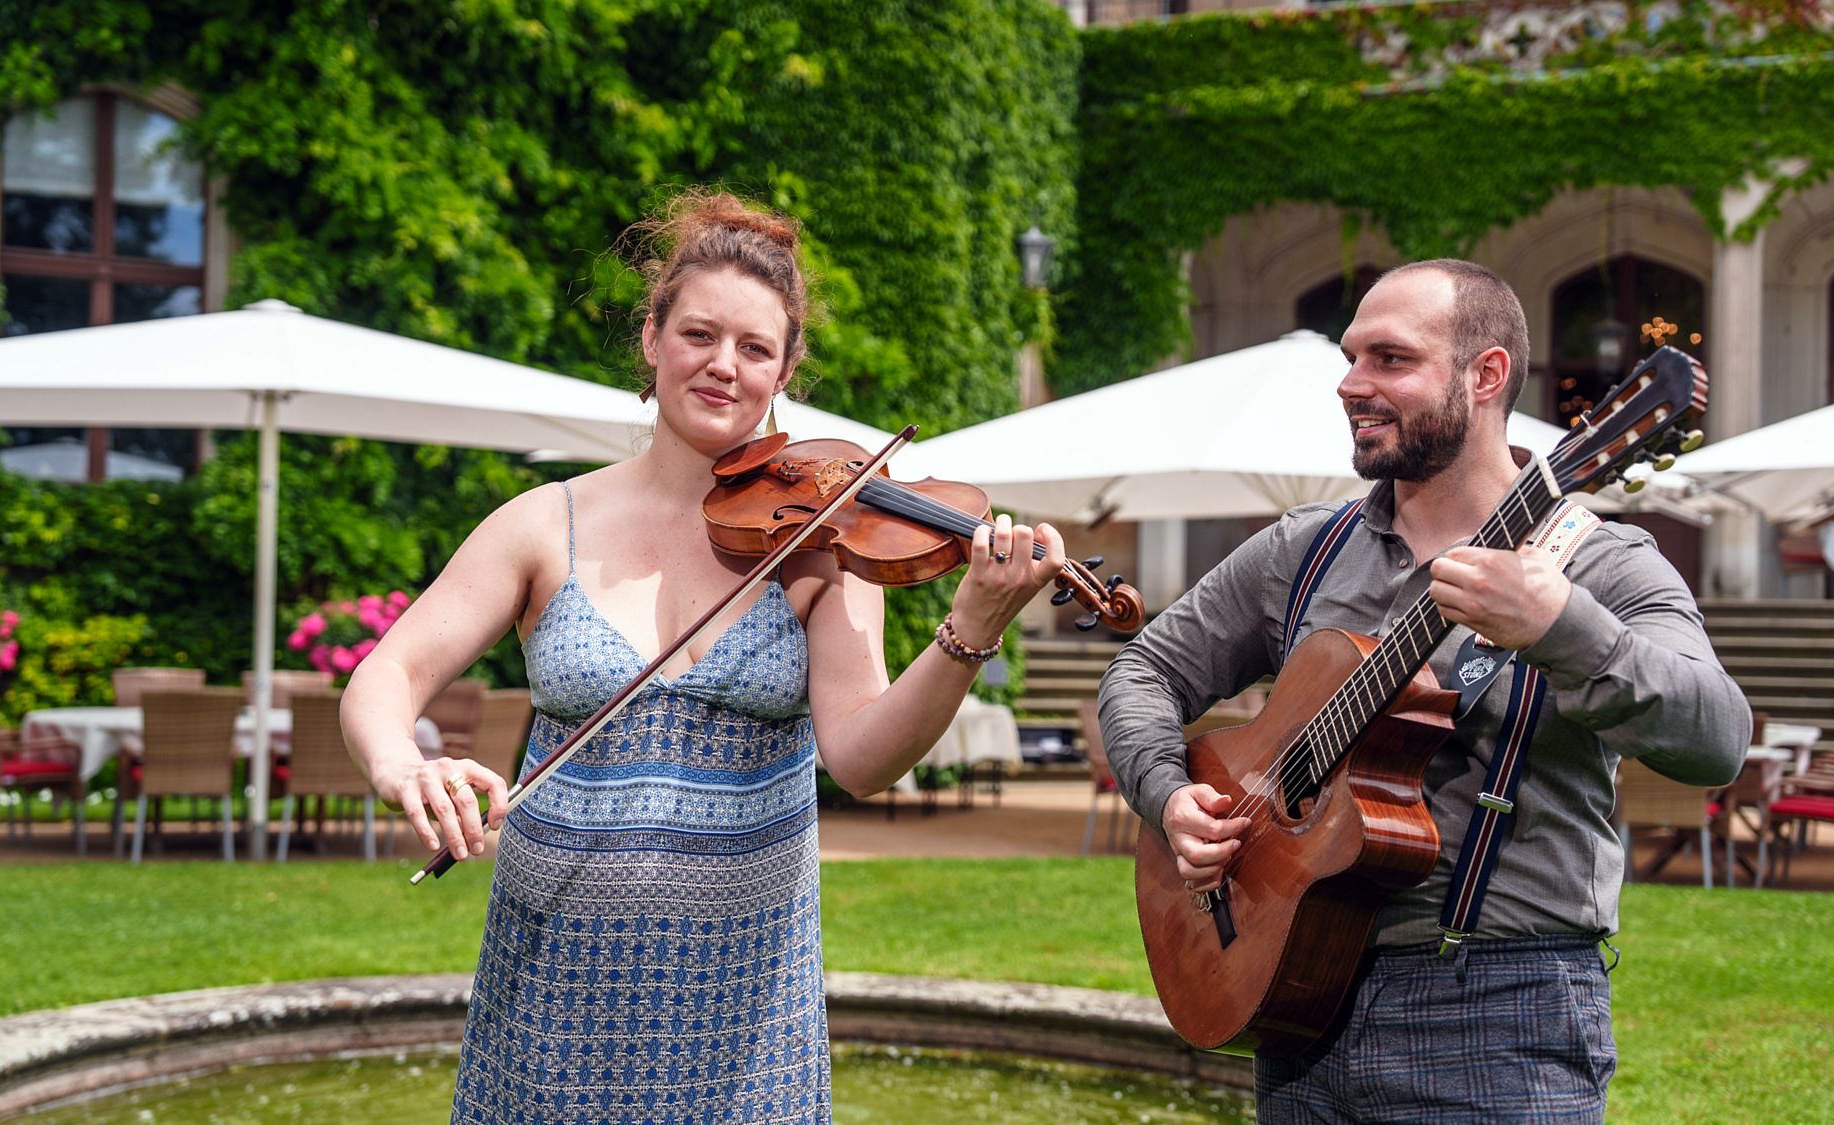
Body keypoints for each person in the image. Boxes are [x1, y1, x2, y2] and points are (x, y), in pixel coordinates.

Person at [342, 190, 1064, 1122]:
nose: (724, 365)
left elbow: (862, 755)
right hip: (552, 995)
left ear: (785, 370)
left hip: (744, 1011)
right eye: (699, 334)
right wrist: (404, 762)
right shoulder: (544, 523)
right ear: (652, 338)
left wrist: (971, 627)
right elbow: (385, 674)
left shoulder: (822, 542)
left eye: (755, 348)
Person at [1098, 260, 1748, 1122]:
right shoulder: (1306, 549)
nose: (1350, 384)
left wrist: (1561, 625)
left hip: (1502, 1015)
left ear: (1487, 376)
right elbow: (1143, 668)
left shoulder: (1602, 563)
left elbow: (1716, 736)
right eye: (1350, 356)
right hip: (1294, 997)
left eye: (1389, 360)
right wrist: (1169, 793)